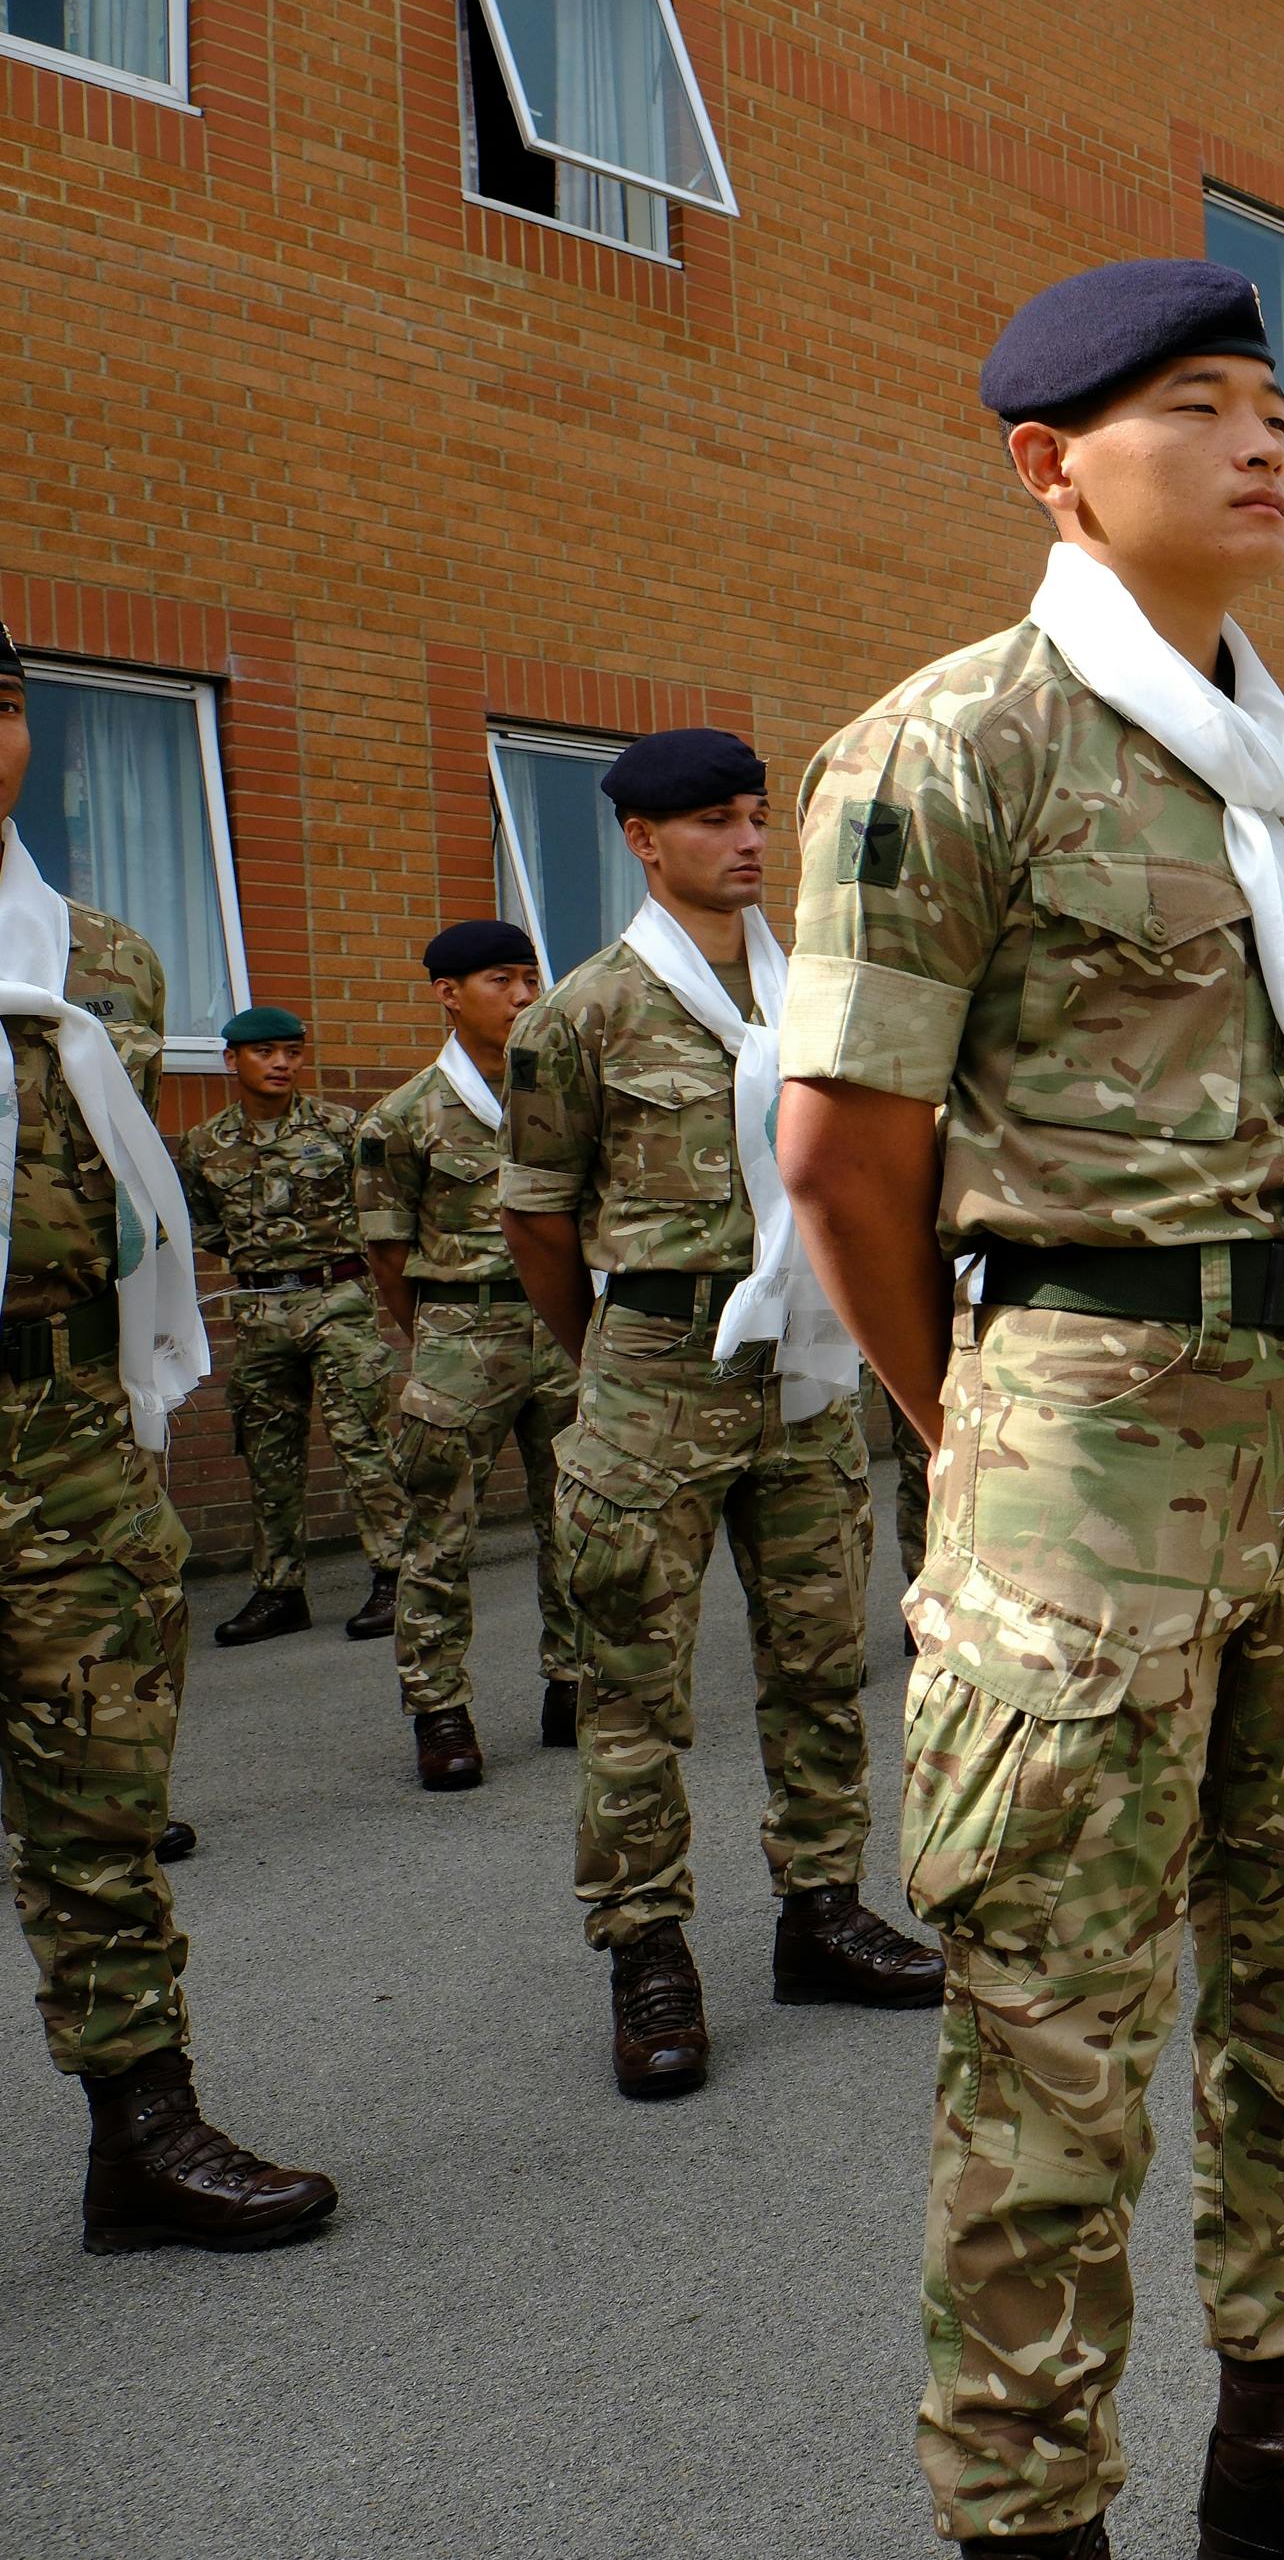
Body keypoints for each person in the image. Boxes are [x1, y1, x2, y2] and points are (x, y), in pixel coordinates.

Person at [772, 262, 1284, 2560]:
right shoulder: (950, 750)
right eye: (1196, 405)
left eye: (1272, 403)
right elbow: (841, 1155)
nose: (1260, 441)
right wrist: (977, 1428)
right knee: (1057, 2039)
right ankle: (1027, 2519)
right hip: (1085, 1430)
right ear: (1049, 465)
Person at [499, 725, 940, 2106]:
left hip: (803, 1378)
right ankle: (647, 1950)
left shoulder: (816, 996)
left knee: (820, 1662)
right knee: (635, 1685)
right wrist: (618, 1357)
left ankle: (822, 1908)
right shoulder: (580, 1015)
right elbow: (538, 1221)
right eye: (712, 822)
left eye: (757, 815)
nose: (747, 840)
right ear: (642, 840)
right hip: (654, 1371)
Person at [2, 621, 338, 2255]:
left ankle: (143, 2126)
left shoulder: (106, 958)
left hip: (62, 1425)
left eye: (0, 707)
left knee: (100, 1802)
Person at [355, 918, 580, 1791]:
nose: (525, 997)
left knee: (573, 1520)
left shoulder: (561, 1097)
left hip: (558, 1330)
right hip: (460, 1335)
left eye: (531, 978)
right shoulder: (403, 1118)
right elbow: (386, 1253)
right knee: (439, 1533)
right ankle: (439, 1706)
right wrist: (440, 1340)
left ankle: (571, 1682)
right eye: (502, 980)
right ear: (448, 993)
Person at [179, 1005, 406, 1648]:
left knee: (362, 1444)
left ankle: (396, 1575)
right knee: (267, 1457)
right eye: (265, 1052)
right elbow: (208, 1227)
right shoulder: (204, 1144)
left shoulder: (341, 1128)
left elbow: (380, 1206)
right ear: (232, 1060)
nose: (282, 1063)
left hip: (335, 1301)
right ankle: (279, 1591)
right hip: (258, 1315)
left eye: (292, 1052)